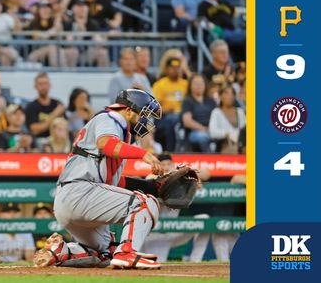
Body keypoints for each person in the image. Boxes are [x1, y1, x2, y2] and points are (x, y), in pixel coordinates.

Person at [35, 89, 165, 269]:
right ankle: (127, 253)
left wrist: (151, 186)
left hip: (74, 200)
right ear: (128, 110)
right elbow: (105, 145)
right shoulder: (111, 118)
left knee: (106, 255)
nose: (144, 121)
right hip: (80, 192)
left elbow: (116, 183)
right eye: (142, 114)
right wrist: (145, 155)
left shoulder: (120, 138)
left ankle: (62, 251)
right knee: (144, 204)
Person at [140, 153, 210, 262]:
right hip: (155, 232)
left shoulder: (180, 178)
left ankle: (195, 260)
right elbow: (157, 179)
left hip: (174, 230)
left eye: (169, 164)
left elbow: (206, 174)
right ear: (158, 166)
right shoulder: (151, 178)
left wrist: (193, 177)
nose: (166, 167)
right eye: (163, 164)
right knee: (157, 264)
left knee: (204, 219)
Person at [152, 57, 188, 152]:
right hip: (164, 117)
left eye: (178, 67)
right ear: (167, 69)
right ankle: (172, 151)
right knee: (171, 121)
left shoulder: (185, 84)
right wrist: (166, 110)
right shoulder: (159, 84)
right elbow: (154, 108)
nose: (175, 70)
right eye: (172, 67)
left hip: (183, 115)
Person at [181, 74, 216, 153]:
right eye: (196, 83)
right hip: (194, 131)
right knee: (202, 137)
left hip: (212, 130)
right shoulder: (187, 101)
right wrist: (204, 129)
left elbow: (217, 116)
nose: (199, 86)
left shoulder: (211, 100)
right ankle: (210, 159)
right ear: (190, 86)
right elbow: (187, 122)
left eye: (201, 83)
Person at [25, 72, 65, 139]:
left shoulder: (57, 103)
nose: (43, 87)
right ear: (35, 86)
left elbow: (64, 126)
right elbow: (34, 129)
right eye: (40, 84)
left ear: (50, 85)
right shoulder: (31, 106)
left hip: (57, 141)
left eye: (45, 83)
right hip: (39, 142)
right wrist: (54, 114)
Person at [209, 85, 246, 154]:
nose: (230, 96)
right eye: (226, 93)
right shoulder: (216, 112)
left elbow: (245, 128)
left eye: (232, 94)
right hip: (224, 144)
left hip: (241, 143)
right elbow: (213, 132)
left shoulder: (240, 111)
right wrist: (228, 134)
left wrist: (238, 135)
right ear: (220, 96)